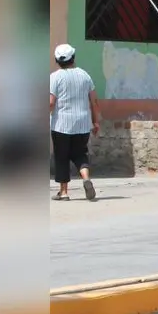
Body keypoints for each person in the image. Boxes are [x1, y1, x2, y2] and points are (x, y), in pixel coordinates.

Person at [49, 43, 100, 201]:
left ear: (57, 60)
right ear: (73, 58)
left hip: (61, 125)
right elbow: (94, 101)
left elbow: (51, 102)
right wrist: (95, 122)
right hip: (83, 124)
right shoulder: (85, 75)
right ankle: (86, 178)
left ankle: (63, 192)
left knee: (62, 157)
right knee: (80, 154)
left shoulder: (55, 77)